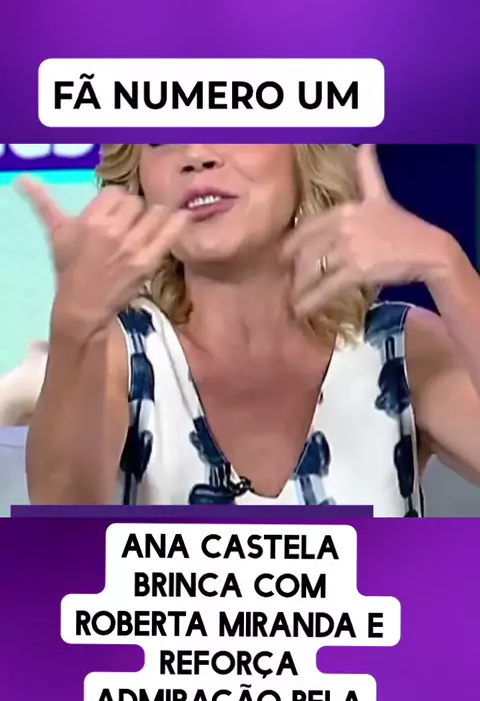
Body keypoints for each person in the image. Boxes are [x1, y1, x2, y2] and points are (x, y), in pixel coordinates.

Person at [19, 144, 480, 516]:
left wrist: (446, 263)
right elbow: (60, 525)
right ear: (138, 181)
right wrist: (76, 322)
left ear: (305, 153)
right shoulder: (119, 354)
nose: (196, 154)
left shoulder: (400, 351)